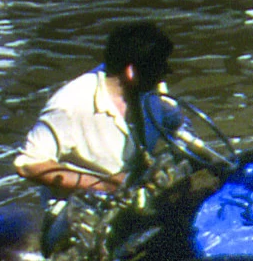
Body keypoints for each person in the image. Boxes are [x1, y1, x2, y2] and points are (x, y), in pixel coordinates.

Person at [16, 22, 181, 196]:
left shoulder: (149, 91)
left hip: (136, 194)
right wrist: (105, 185)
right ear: (131, 72)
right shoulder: (69, 104)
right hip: (82, 209)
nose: (166, 72)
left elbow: (178, 125)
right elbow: (29, 165)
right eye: (159, 67)